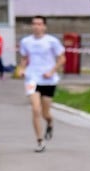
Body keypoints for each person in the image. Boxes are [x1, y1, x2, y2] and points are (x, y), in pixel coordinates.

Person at [18, 16, 65, 153]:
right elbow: (24, 58)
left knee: (45, 113)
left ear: (44, 26)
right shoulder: (25, 41)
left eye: (39, 24)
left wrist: (52, 71)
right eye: (34, 24)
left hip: (48, 80)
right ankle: (40, 141)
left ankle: (49, 122)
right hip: (31, 78)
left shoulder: (52, 41)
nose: (36, 26)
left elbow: (62, 58)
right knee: (35, 109)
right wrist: (21, 69)